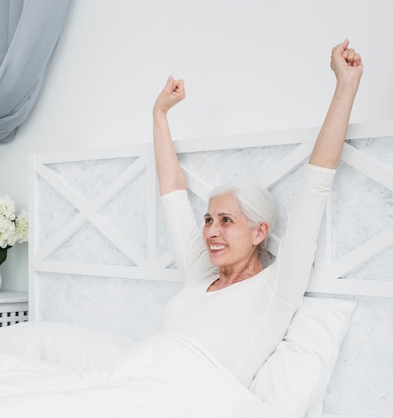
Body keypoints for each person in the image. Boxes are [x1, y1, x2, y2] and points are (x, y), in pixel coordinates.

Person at [152, 39, 363, 387]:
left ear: (259, 232)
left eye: (226, 221)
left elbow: (316, 184)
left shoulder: (277, 287)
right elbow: (172, 195)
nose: (210, 232)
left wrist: (346, 84)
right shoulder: (199, 273)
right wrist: (160, 114)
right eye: (208, 220)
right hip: (140, 378)